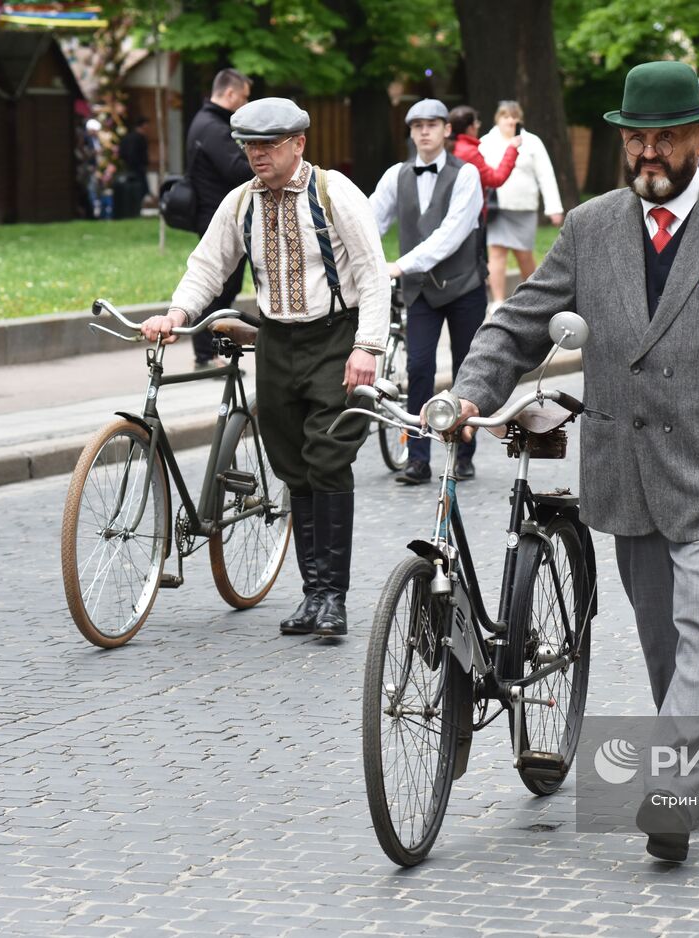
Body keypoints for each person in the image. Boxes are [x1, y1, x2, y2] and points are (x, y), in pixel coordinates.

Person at [450, 60, 699, 863]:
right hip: (626, 472)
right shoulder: (590, 227)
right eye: (635, 139)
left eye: (664, 138)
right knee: (666, 647)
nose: (648, 153)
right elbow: (519, 323)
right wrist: (472, 391)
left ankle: (673, 791)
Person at [139, 98, 390, 638]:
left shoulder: (333, 192)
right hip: (276, 342)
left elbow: (373, 272)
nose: (256, 156)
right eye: (248, 146)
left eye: (267, 146)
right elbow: (208, 265)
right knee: (292, 465)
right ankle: (310, 595)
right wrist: (176, 313)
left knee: (327, 458)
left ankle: (332, 597)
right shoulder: (240, 203)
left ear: (298, 143)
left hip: (335, 339)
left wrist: (368, 346)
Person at [371, 99, 489, 485]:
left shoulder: (466, 174)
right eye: (417, 125)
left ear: (446, 130)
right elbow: (369, 222)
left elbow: (451, 235)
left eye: (432, 124)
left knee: (465, 370)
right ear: (410, 131)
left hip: (464, 287)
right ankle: (418, 457)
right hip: (420, 292)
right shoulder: (397, 175)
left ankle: (462, 450)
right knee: (418, 368)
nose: (424, 131)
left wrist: (400, 265)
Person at [183, 69, 255, 370]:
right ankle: (206, 354)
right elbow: (237, 169)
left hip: (213, 214)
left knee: (225, 287)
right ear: (229, 94)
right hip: (216, 217)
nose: (244, 104)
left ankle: (211, 351)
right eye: (243, 98)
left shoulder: (205, 122)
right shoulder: (213, 127)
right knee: (217, 287)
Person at [479, 100, 564, 305]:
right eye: (506, 116)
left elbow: (546, 175)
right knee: (496, 254)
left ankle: (534, 298)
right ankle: (497, 301)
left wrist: (553, 207)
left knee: (524, 255)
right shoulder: (486, 142)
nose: (510, 120)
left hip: (524, 207)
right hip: (497, 208)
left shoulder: (532, 142)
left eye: (514, 116)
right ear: (497, 119)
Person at [448, 104, 519, 222]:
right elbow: (496, 178)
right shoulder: (469, 152)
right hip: (469, 216)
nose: (478, 126)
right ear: (470, 128)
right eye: (476, 123)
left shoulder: (447, 148)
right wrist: (512, 149)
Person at [117, 116, 150, 218]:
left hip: (128, 168)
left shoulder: (127, 137)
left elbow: (121, 153)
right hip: (137, 169)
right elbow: (132, 154)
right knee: (139, 191)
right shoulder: (139, 138)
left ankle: (132, 212)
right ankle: (135, 212)